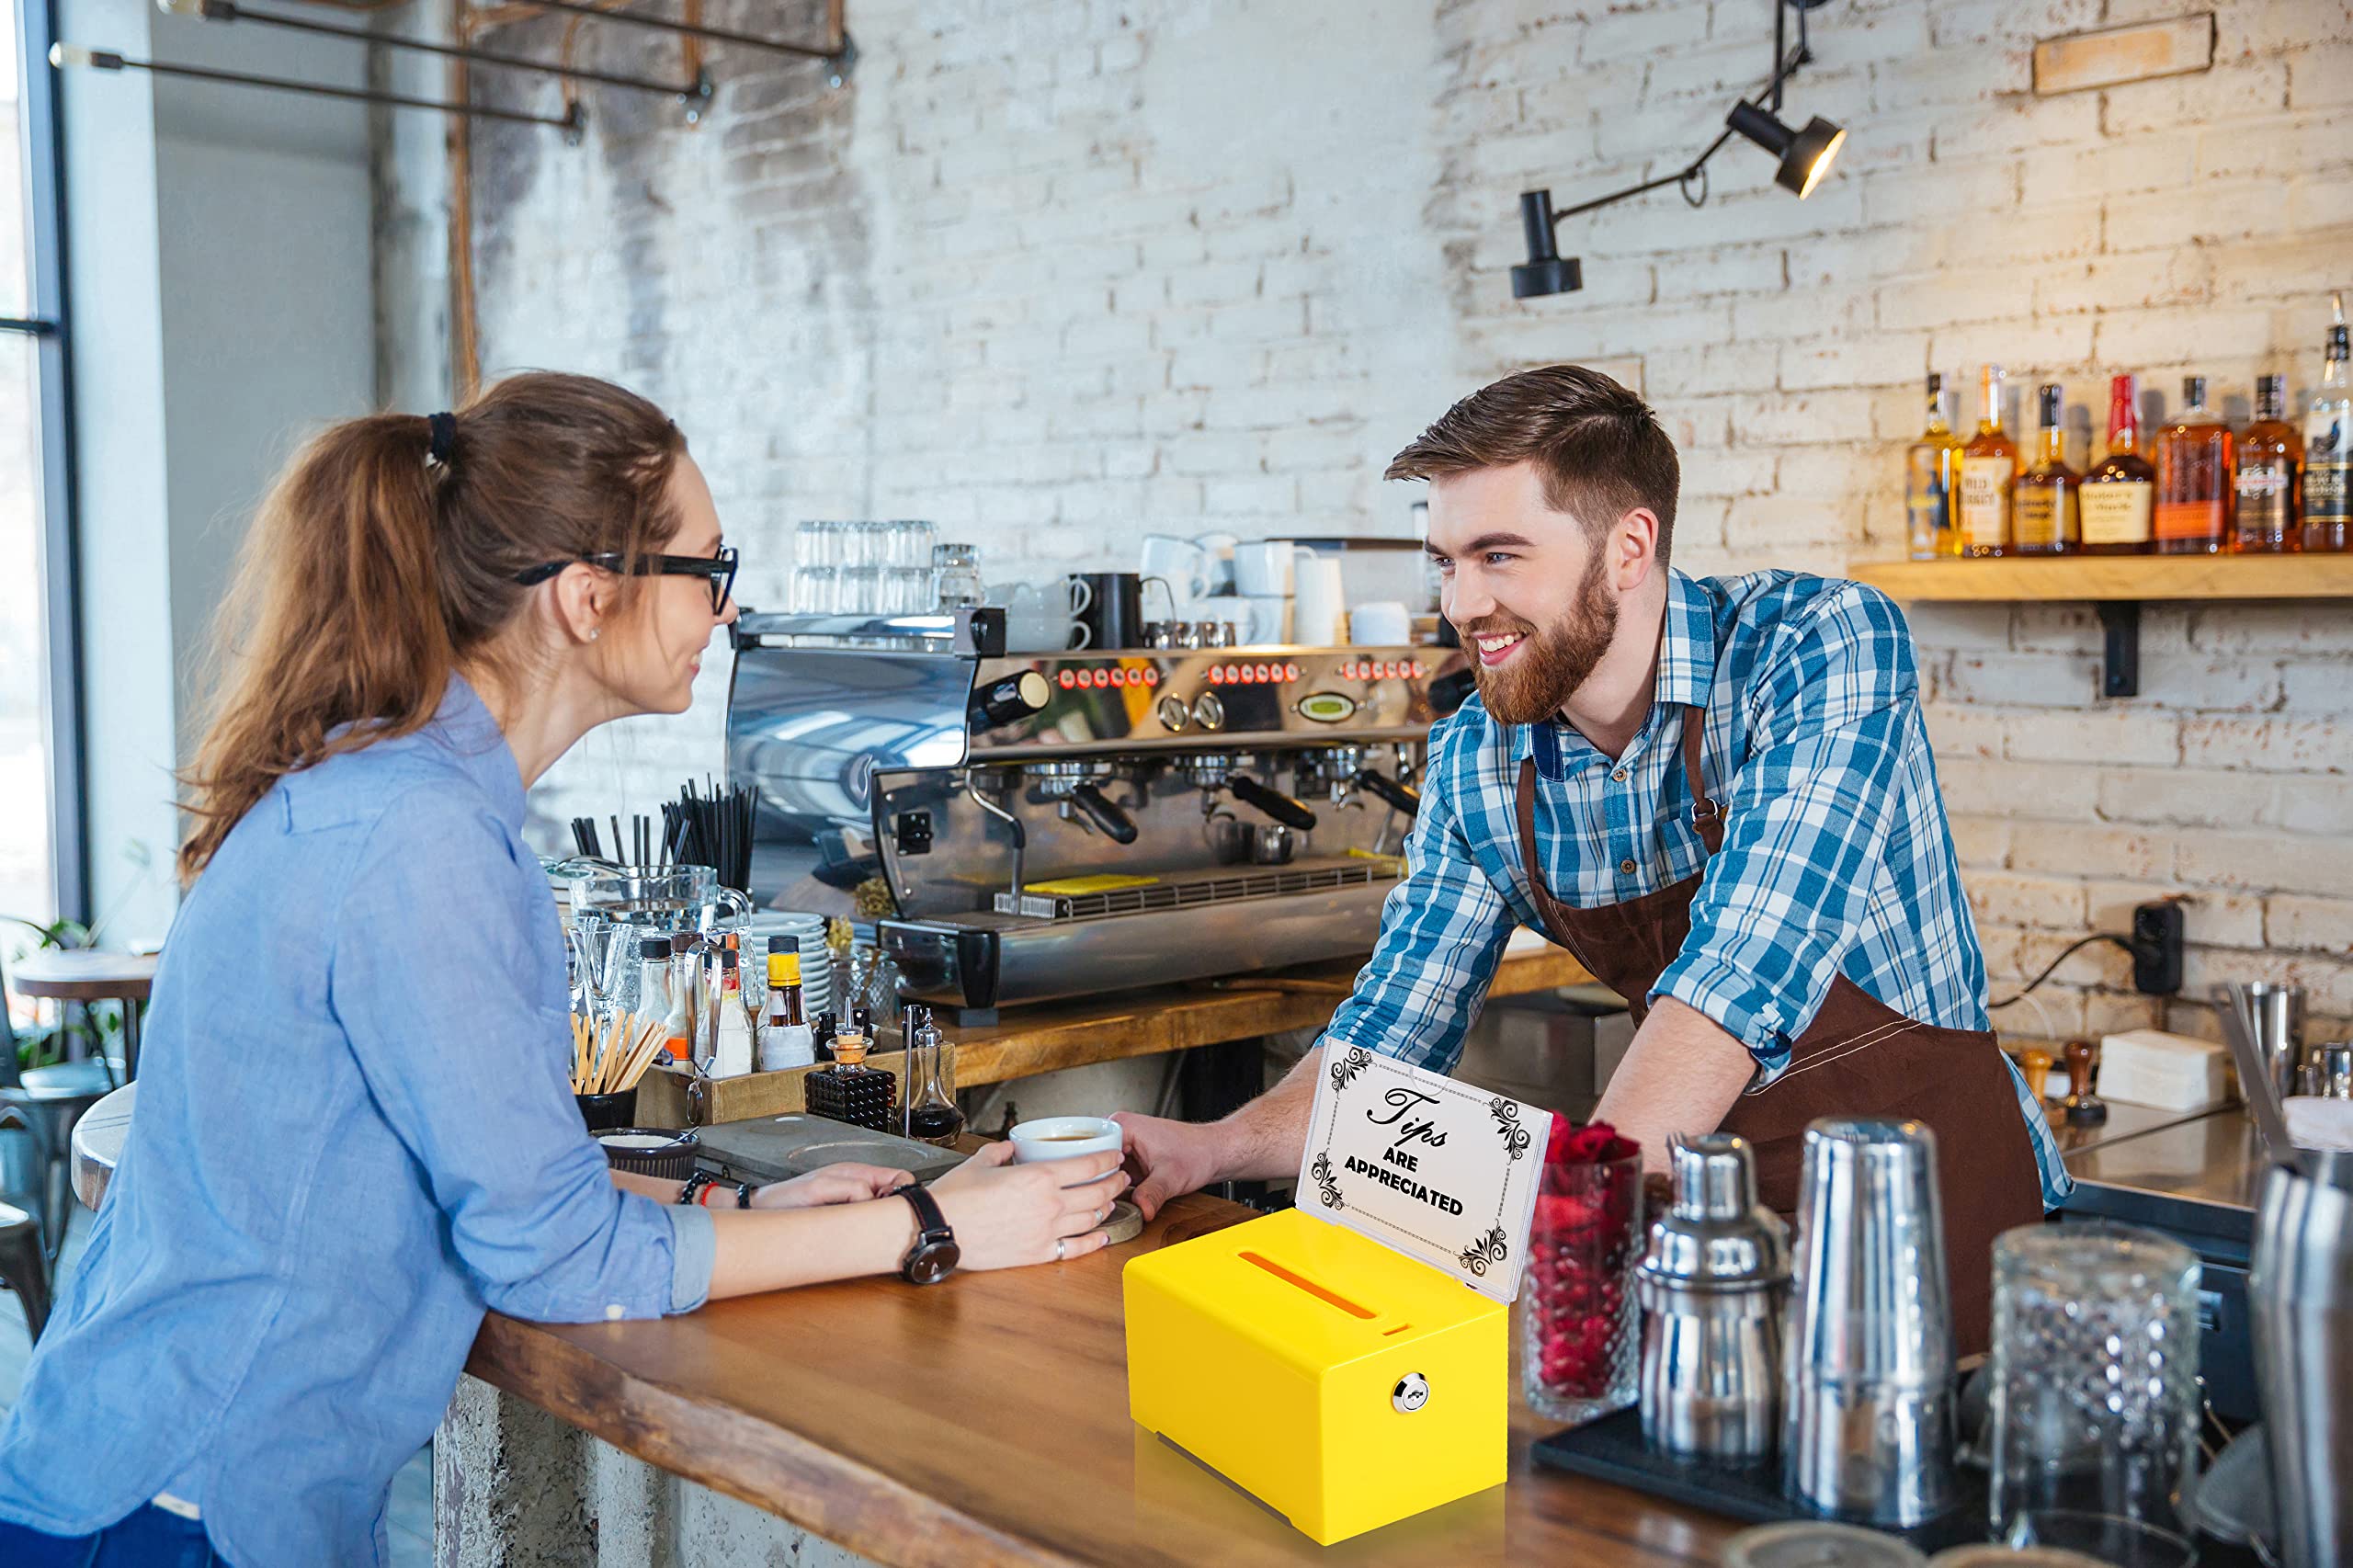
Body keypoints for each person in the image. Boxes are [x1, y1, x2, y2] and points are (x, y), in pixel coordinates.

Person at [0, 373, 1122, 1567]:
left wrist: (736, 1203)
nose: (727, 613)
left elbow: (482, 1175)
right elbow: (555, 1255)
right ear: (589, 597)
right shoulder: (420, 839)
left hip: (154, 1474)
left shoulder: (387, 793)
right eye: (710, 566)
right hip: (182, 1510)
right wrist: (931, 1220)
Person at [1116, 365, 2063, 1355]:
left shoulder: (1815, 647)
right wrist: (1211, 1146)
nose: (1462, 601)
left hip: (1926, 1207)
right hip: (1704, 1223)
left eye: (1498, 555)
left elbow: (1742, 973)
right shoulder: (1477, 757)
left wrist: (1564, 1224)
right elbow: (1393, 1028)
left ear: (1627, 546)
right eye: (1443, 561)